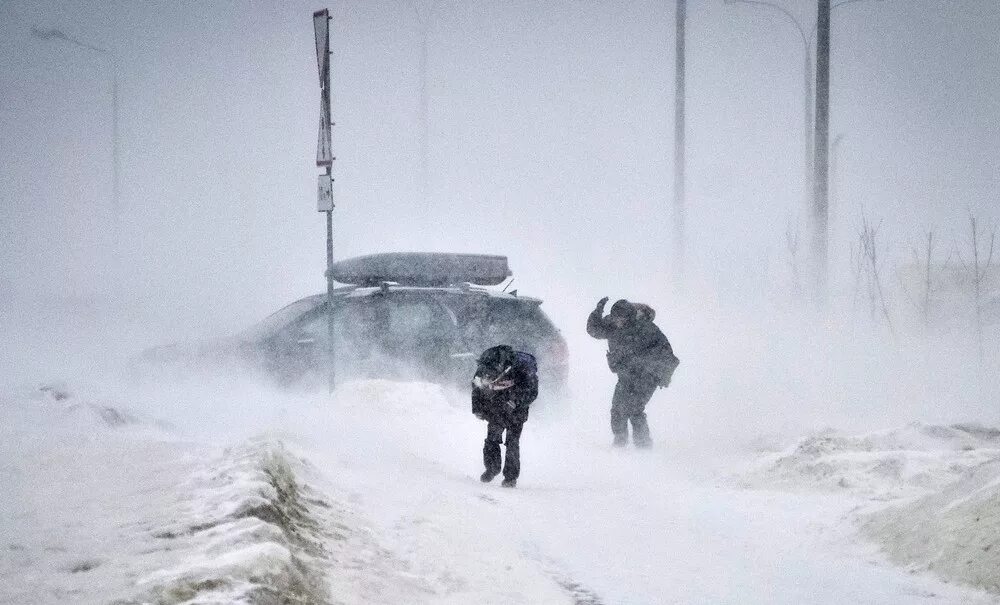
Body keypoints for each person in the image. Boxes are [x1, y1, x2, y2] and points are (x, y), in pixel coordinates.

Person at [587, 297, 679, 448]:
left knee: (634, 410)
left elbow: (666, 353)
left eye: (621, 319)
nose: (618, 322)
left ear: (629, 317)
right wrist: (597, 311)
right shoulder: (613, 325)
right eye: (615, 318)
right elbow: (594, 330)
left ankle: (643, 446)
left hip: (647, 377)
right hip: (626, 376)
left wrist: (664, 375)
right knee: (617, 409)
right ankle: (620, 443)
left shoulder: (646, 329)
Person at [471, 345, 538, 488]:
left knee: (512, 443)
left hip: (517, 410)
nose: (489, 375)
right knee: (492, 439)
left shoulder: (523, 368)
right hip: (495, 406)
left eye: (493, 372)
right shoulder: (485, 366)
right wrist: (477, 409)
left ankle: (510, 477)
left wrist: (515, 402)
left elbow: (532, 391)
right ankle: (492, 468)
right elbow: (476, 388)